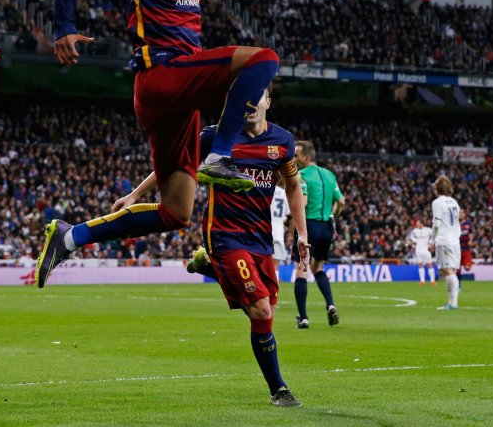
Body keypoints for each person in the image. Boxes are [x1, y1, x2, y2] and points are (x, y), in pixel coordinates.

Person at [36, 0, 294, 288]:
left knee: (176, 212)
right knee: (264, 59)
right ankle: (220, 154)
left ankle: (70, 237)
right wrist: (63, 27)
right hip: (163, 74)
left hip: (178, 97)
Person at [116, 89, 310, 406]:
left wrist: (302, 234)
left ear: (268, 102)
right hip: (225, 234)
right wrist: (136, 194)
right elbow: (172, 163)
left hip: (260, 239)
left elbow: (292, 186)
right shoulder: (216, 138)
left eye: (256, 96)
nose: (250, 103)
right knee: (260, 309)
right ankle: (279, 390)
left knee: (267, 315)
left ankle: (211, 267)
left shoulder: (283, 142)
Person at [289, 140, 344, 328]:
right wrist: (332, 217)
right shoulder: (329, 175)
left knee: (302, 270)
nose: (293, 158)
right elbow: (342, 201)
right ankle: (330, 305)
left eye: (296, 155)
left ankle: (303, 318)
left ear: (306, 157)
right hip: (326, 228)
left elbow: (302, 203)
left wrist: (291, 218)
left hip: (308, 227)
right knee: (318, 268)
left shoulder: (301, 175)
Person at [431, 175, 461, 310]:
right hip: (455, 240)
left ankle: (452, 302)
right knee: (451, 271)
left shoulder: (437, 202)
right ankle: (453, 300)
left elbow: (436, 224)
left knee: (447, 271)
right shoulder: (454, 202)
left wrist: (432, 239)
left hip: (444, 240)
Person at [270, 180, 290, 278]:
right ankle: (274, 292)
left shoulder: (268, 190)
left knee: (263, 264)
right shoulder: (284, 194)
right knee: (275, 266)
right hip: (278, 232)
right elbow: (288, 215)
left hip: (265, 230)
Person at [407, 218, 435, 285]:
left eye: (418, 223)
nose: (417, 225)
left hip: (426, 249)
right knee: (420, 264)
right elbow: (411, 237)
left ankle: (432, 281)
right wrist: (415, 241)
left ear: (422, 224)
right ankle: (422, 281)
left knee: (429, 264)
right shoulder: (415, 231)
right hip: (418, 249)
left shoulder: (428, 230)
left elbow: (433, 235)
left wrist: (431, 242)